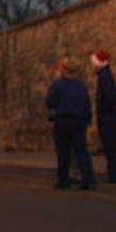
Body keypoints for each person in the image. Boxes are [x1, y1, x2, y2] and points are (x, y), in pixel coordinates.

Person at [45, 58, 95, 190]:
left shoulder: (57, 85)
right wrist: (87, 120)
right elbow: (87, 105)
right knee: (81, 151)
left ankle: (63, 180)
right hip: (79, 121)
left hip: (63, 120)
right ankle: (88, 178)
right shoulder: (81, 86)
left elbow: (50, 102)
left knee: (63, 152)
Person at [92, 50, 116, 184]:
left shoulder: (104, 77)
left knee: (111, 147)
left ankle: (115, 176)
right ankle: (114, 174)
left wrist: (103, 112)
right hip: (109, 117)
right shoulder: (105, 76)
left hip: (108, 118)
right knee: (111, 148)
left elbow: (111, 97)